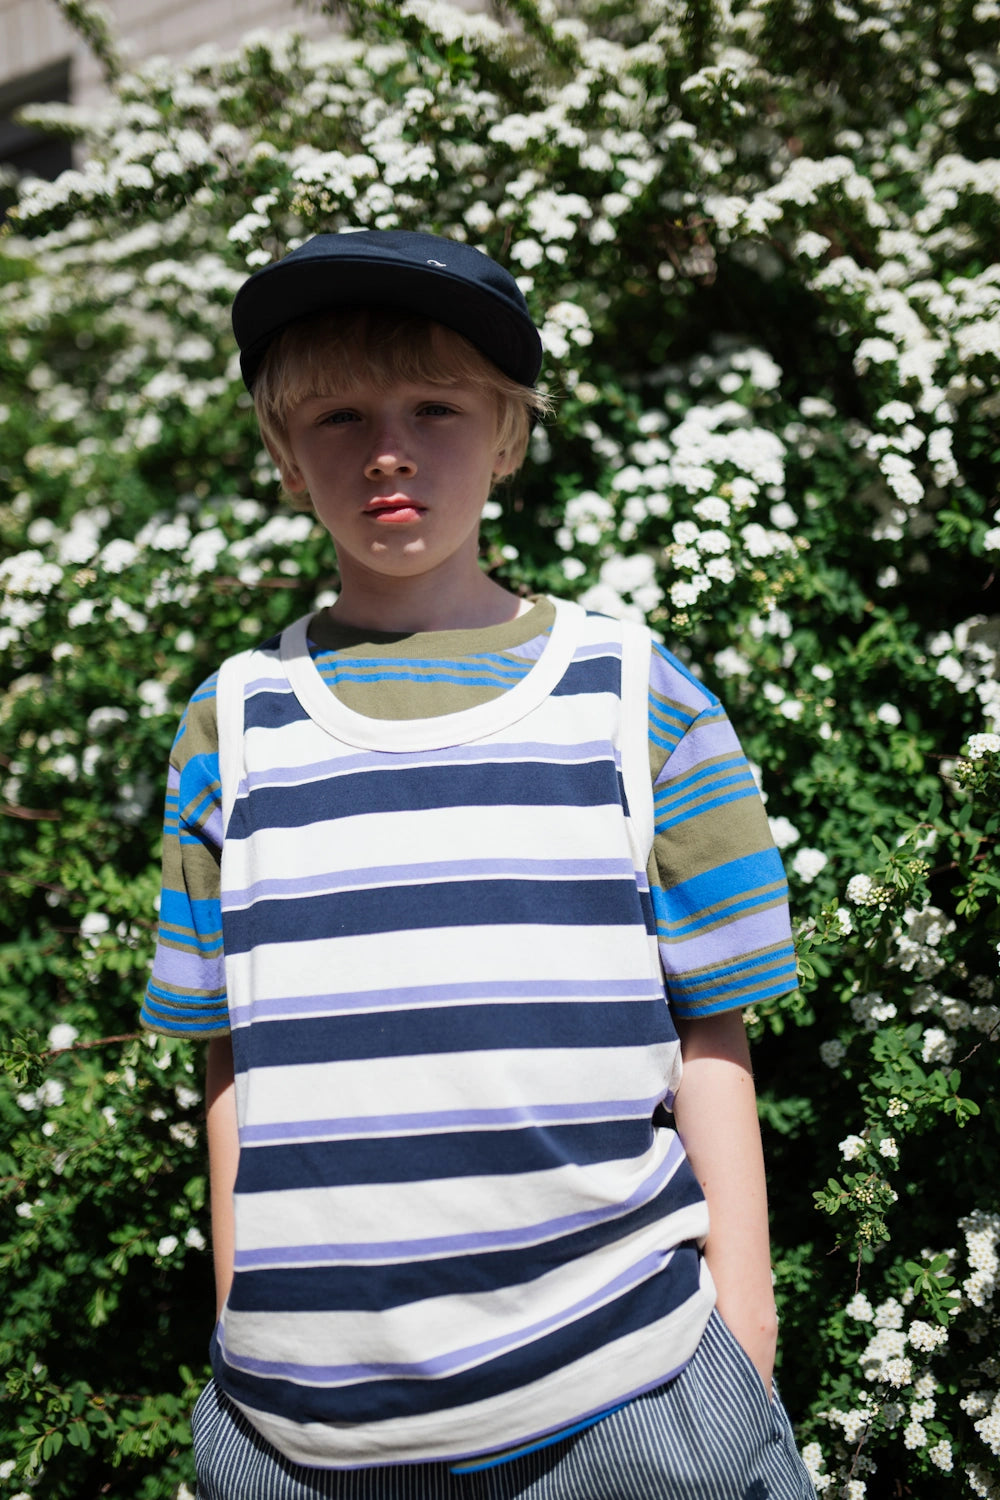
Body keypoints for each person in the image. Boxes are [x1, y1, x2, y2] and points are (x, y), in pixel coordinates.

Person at [142, 229, 816, 1499]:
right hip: (303, 1446)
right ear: (286, 458)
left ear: (509, 435)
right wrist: (241, 1319)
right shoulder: (229, 726)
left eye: (437, 406)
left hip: (630, 1409)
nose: (387, 447)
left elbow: (711, 1040)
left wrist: (748, 1342)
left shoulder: (639, 701)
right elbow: (229, 1055)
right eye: (336, 414)